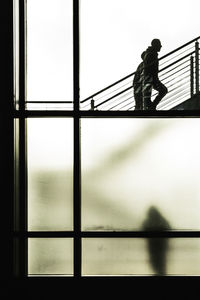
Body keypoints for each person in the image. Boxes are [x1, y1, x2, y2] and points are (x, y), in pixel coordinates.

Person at [143, 39, 168, 110]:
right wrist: (155, 79)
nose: (161, 46)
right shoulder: (151, 54)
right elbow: (150, 69)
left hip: (149, 79)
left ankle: (151, 107)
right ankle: (152, 107)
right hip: (151, 79)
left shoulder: (150, 53)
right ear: (155, 45)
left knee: (148, 100)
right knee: (163, 90)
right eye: (159, 45)